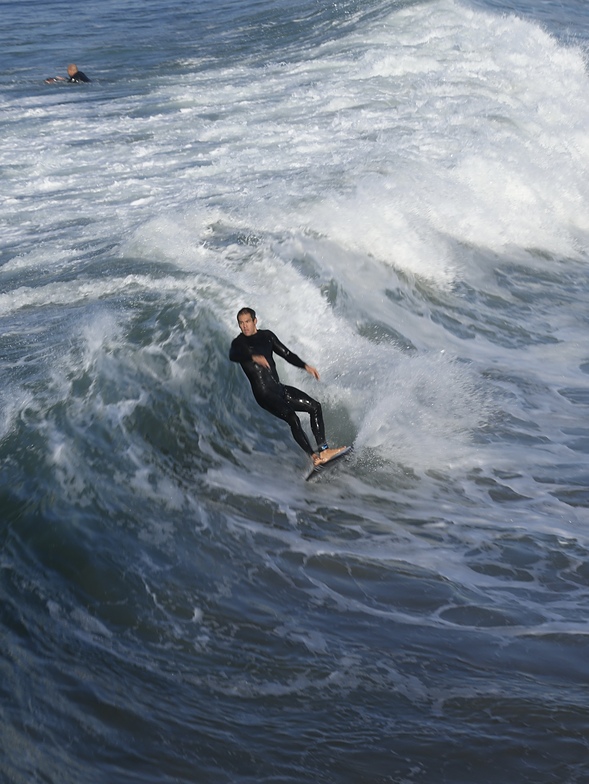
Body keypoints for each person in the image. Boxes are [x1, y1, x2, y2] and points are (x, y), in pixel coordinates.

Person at [229, 307, 346, 467]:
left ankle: (324, 450)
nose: (244, 326)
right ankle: (313, 457)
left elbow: (287, 354)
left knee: (315, 406)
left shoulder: (267, 336)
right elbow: (233, 355)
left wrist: (305, 366)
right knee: (293, 418)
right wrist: (252, 356)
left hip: (279, 389)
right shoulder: (239, 344)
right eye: (241, 323)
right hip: (264, 395)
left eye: (247, 322)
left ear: (255, 321)